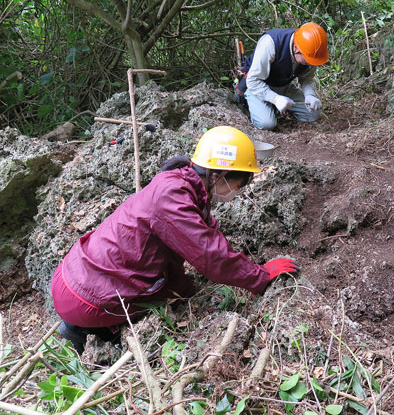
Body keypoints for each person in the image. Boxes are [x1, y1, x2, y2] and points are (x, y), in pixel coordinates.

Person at [51, 126, 298, 353]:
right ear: (218, 174)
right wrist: (259, 277)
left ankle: (89, 324)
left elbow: (204, 237)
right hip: (85, 298)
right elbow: (209, 255)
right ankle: (94, 330)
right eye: (240, 182)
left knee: (182, 289)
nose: (240, 190)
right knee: (168, 298)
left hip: (76, 276)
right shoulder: (174, 198)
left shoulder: (182, 185)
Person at [236, 22, 328, 130]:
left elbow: (307, 78)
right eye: (307, 60)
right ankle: (254, 104)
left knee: (313, 114)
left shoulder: (311, 52)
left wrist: (310, 95)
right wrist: (275, 99)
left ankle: (276, 106)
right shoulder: (270, 44)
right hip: (258, 86)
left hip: (284, 86)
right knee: (267, 124)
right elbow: (253, 80)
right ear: (296, 48)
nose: (310, 64)